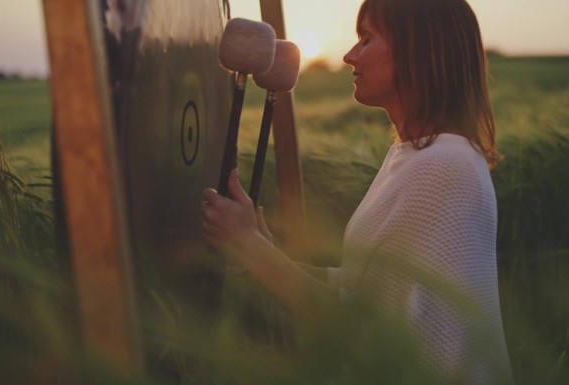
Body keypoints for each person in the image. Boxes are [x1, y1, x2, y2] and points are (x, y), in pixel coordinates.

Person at [201, 0, 513, 382]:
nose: (349, 56)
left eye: (366, 39)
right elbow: (360, 288)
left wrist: (251, 246)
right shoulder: (416, 155)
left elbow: (365, 326)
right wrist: (263, 249)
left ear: (418, 50)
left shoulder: (443, 167)